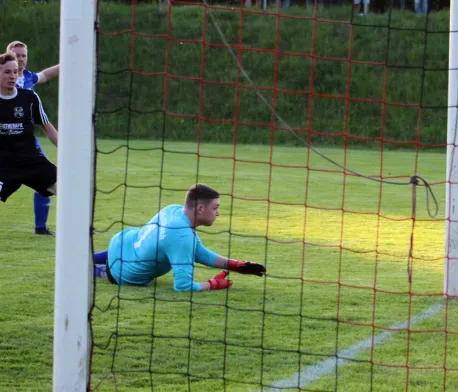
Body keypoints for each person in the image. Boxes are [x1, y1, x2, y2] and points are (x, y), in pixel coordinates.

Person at [93, 184, 266, 292]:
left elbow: (199, 252)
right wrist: (213, 284)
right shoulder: (181, 234)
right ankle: (95, 269)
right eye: (215, 208)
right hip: (119, 272)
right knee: (85, 270)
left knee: (84, 257)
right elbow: (183, 286)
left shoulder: (175, 211)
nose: (218, 213)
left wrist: (235, 265)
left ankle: (86, 257)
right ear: (200, 209)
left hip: (120, 243)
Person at [7, 41, 60, 235]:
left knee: (46, 179)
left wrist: (68, 63)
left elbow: (46, 74)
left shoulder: (29, 77)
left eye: (23, 55)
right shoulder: (4, 77)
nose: (21, 59)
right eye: (17, 55)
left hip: (27, 141)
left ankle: (41, 227)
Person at [0, 52, 58, 205]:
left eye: (15, 71)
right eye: (7, 72)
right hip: (3, 165)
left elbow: (49, 129)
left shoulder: (30, 98)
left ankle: (80, 229)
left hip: (31, 161)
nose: (12, 76)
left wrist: (68, 153)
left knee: (68, 189)